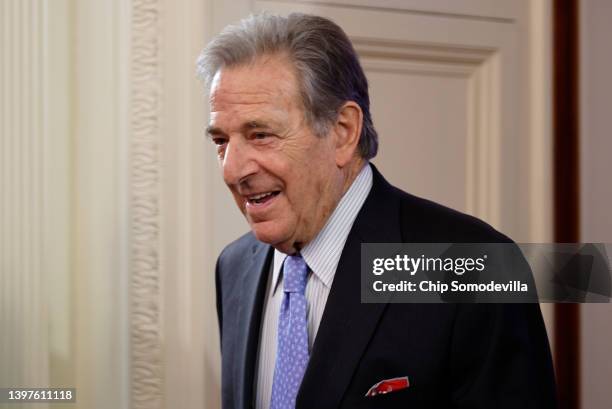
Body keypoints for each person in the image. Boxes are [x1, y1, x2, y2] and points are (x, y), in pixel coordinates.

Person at [198, 12, 557, 409]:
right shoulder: (234, 267)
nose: (232, 169)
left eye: (260, 134)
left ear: (343, 132)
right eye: (220, 140)